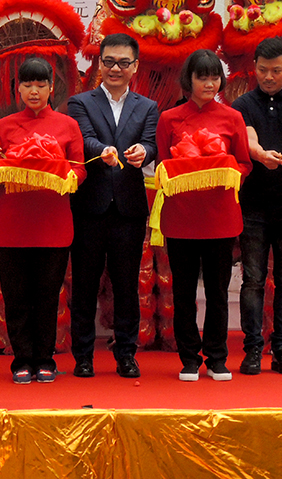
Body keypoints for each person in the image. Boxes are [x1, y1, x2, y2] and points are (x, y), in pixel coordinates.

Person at [0, 57, 86, 384]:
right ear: (18, 89)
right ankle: (21, 360)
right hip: (12, 224)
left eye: (41, 84)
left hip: (52, 225)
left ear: (51, 88)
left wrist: (66, 176)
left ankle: (45, 358)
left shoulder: (67, 125)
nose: (34, 91)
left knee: (47, 296)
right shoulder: (5, 126)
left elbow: (80, 168)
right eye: (27, 84)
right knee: (16, 297)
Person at [155, 49, 251, 382]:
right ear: (189, 80)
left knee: (217, 292)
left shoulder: (232, 118)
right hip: (180, 217)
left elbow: (244, 163)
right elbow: (163, 165)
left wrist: (222, 171)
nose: (209, 84)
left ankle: (217, 356)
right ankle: (188, 357)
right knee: (183, 292)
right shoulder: (169, 118)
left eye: (214, 77)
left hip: (220, 217)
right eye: (202, 77)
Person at [67, 32, 158, 379]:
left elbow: (151, 144)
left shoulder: (147, 107)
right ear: (99, 64)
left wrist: (144, 152)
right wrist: (102, 150)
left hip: (129, 209)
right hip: (89, 206)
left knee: (126, 286)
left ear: (135, 66)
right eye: (108, 62)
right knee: (85, 285)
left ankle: (126, 354)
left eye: (123, 62)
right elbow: (84, 138)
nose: (115, 68)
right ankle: (83, 356)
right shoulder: (80, 102)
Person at [231, 36, 282, 376]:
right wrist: (260, 154)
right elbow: (248, 138)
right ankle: (252, 349)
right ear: (254, 68)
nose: (269, 76)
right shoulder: (242, 104)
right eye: (263, 70)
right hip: (253, 204)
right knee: (252, 279)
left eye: (276, 70)